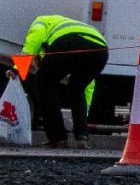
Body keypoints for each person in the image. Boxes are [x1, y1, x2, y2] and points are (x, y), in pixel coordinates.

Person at [21, 12, 108, 147]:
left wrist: (16, 70)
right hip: (101, 50)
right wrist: (83, 117)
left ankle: (57, 137)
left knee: (44, 82)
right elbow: (88, 88)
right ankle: (82, 137)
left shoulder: (41, 21)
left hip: (69, 42)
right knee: (77, 88)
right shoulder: (66, 25)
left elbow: (32, 44)